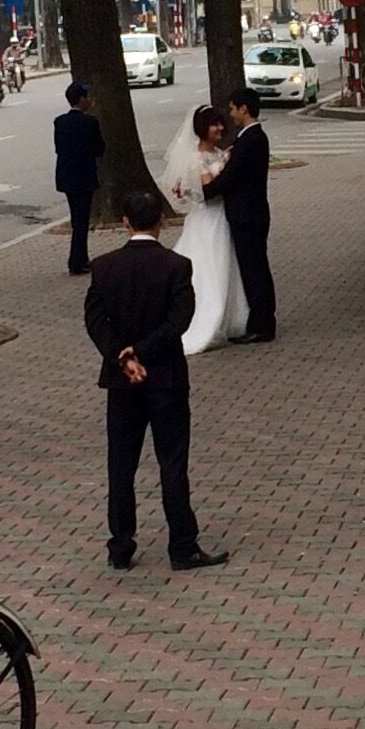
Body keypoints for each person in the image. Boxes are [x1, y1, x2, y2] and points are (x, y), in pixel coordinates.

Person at [84, 190, 228, 572]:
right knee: (172, 462)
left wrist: (123, 356)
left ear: (126, 222)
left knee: (121, 466)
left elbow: (95, 321)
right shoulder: (176, 266)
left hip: (121, 383)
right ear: (160, 222)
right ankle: (182, 545)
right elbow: (180, 321)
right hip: (165, 377)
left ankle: (120, 545)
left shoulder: (104, 267)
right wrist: (144, 352)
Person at [162, 106, 247, 355]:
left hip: (223, 216)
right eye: (214, 125)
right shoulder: (196, 159)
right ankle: (207, 316)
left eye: (221, 123)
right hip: (208, 218)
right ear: (201, 128)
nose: (220, 128)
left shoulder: (221, 153)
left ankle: (229, 316)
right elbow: (207, 190)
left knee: (226, 264)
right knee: (209, 265)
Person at [201, 87, 274, 342]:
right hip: (251, 212)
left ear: (244, 109)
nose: (231, 114)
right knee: (255, 267)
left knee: (254, 270)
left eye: (233, 109)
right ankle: (261, 321)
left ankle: (262, 325)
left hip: (248, 214)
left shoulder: (251, 140)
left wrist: (202, 193)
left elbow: (230, 179)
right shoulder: (249, 138)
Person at [53, 82, 105, 276]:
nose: (89, 100)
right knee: (81, 221)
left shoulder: (60, 122)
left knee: (77, 218)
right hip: (84, 177)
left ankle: (80, 257)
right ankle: (77, 261)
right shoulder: (90, 122)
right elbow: (99, 149)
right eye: (87, 97)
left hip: (66, 176)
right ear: (81, 99)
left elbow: (58, 148)